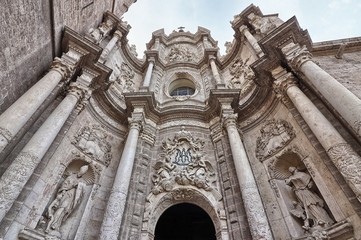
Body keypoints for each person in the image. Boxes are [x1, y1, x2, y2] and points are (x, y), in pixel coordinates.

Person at [46, 165, 89, 232]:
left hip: (72, 199)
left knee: (65, 211)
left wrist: (79, 187)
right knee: (61, 208)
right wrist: (70, 187)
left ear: (85, 173)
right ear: (80, 168)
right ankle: (53, 223)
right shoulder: (71, 176)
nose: (83, 171)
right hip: (66, 195)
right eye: (83, 169)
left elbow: (82, 194)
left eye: (85, 171)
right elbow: (64, 185)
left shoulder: (83, 182)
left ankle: (57, 225)